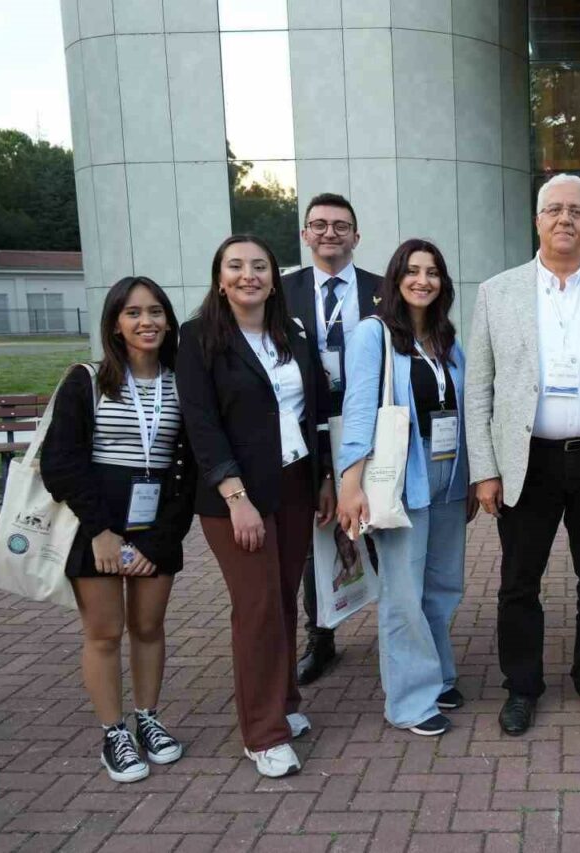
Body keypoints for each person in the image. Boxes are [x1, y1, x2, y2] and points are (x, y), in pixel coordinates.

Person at [465, 173, 580, 736]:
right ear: (538, 220)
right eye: (554, 209)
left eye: (577, 211)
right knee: (519, 582)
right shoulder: (497, 292)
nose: (565, 218)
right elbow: (479, 388)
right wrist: (485, 470)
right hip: (527, 463)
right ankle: (522, 686)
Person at [177, 235, 336, 776]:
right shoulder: (198, 338)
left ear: (274, 278)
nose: (249, 275)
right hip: (236, 495)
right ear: (220, 280)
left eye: (260, 266)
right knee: (258, 606)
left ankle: (284, 703)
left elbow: (315, 413)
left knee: (284, 598)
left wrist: (324, 477)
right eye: (236, 266)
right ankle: (262, 734)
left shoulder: (293, 333)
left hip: (294, 482)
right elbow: (201, 424)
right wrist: (236, 497)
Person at [42, 276, 195, 784]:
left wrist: (160, 538)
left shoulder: (182, 382)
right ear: (114, 324)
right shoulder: (86, 380)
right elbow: (61, 463)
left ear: (168, 320)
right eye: (133, 313)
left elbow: (189, 469)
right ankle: (114, 732)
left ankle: (147, 718)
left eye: (155, 311)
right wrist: (101, 532)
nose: (146, 321)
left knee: (149, 628)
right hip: (97, 529)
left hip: (156, 529)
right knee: (104, 633)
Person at [336, 239, 478, 736]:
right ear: (395, 280)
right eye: (413, 271)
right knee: (403, 591)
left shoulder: (447, 340)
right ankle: (410, 701)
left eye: (433, 272)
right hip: (401, 474)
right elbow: (358, 408)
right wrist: (349, 483)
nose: (423, 280)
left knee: (443, 585)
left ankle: (437, 676)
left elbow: (466, 409)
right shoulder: (372, 334)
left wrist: (471, 476)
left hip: (449, 474)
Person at [283, 192, 385, 686]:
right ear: (305, 234)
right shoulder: (282, 291)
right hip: (308, 425)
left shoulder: (384, 290)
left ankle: (396, 631)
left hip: (372, 423)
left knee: (383, 527)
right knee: (317, 535)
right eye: (319, 225)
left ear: (356, 236)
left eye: (341, 225)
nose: (330, 233)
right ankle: (320, 636)